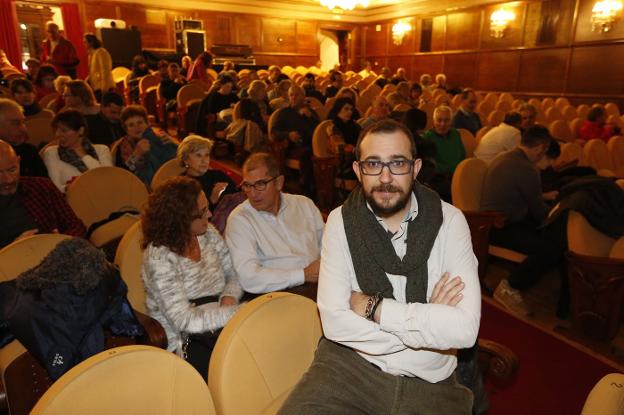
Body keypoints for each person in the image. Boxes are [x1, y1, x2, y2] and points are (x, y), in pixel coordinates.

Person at [279, 119, 480, 414]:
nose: (385, 177)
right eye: (373, 164)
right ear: (358, 171)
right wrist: (427, 321)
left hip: (430, 382)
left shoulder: (450, 222)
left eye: (398, 163)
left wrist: (373, 308)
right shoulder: (339, 221)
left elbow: (463, 330)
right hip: (350, 369)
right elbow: (335, 323)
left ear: (416, 167)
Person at [141, 176, 243, 379]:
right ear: (180, 219)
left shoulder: (208, 234)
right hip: (186, 338)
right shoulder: (159, 257)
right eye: (202, 212)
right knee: (235, 370)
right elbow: (184, 320)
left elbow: (234, 274)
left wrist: (229, 298)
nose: (211, 214)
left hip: (219, 319)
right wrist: (232, 314)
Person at [481, 125, 563, 317]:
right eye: (544, 152)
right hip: (500, 227)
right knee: (552, 247)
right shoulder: (527, 168)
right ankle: (509, 287)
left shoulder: (506, 156)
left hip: (491, 222)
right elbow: (540, 212)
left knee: (550, 237)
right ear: (540, 148)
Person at [225, 152, 324, 294]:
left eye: (260, 184)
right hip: (276, 295)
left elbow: (328, 246)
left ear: (279, 183)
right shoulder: (240, 219)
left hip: (320, 284)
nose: (252, 194)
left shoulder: (304, 205)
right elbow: (249, 277)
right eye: (247, 185)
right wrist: (303, 275)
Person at [0, 140, 85, 248]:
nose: (8, 180)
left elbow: (75, 225)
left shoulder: (41, 187)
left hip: (59, 254)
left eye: (12, 170)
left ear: (18, 162)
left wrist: (59, 243)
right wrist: (14, 248)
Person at [42, 110, 113, 192]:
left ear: (80, 130)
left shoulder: (102, 150)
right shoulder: (51, 153)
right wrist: (73, 187)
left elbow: (108, 180)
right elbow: (55, 188)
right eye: (56, 130)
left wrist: (84, 156)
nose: (57, 134)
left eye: (64, 130)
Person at [271, 85, 319, 194]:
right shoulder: (284, 113)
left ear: (303, 97)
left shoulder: (310, 112)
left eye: (297, 95)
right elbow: (274, 132)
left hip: (312, 144)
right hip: (293, 146)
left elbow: (319, 131)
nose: (294, 97)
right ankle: (306, 187)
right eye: (291, 95)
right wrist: (288, 134)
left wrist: (310, 117)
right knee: (308, 154)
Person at [115, 105, 177, 187]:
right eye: (131, 125)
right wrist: (136, 155)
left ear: (147, 124)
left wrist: (176, 143)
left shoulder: (160, 138)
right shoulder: (123, 147)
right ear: (126, 130)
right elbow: (123, 175)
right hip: (138, 188)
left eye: (140, 122)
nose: (137, 127)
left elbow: (179, 160)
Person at [177, 135, 238, 211]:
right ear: (185, 159)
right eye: (198, 155)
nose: (204, 160)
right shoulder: (181, 185)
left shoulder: (218, 175)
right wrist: (212, 200)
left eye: (207, 155)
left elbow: (238, 193)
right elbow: (188, 217)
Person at [423, 105, 466, 201]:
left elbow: (463, 156)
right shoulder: (428, 138)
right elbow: (430, 166)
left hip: (458, 177)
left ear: (451, 122)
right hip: (439, 180)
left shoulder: (456, 134)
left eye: (446, 120)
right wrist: (453, 169)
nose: (443, 124)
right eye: (439, 120)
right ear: (434, 121)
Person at [0, 99, 47, 177]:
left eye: (23, 122)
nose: (24, 129)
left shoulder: (28, 151)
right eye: (16, 123)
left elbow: (45, 185)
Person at [84, 33, 114, 102]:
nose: (84, 44)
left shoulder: (101, 52)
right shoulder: (91, 54)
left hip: (103, 87)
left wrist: (104, 88)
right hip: (96, 87)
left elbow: (105, 70)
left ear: (91, 42)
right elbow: (93, 71)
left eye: (85, 42)